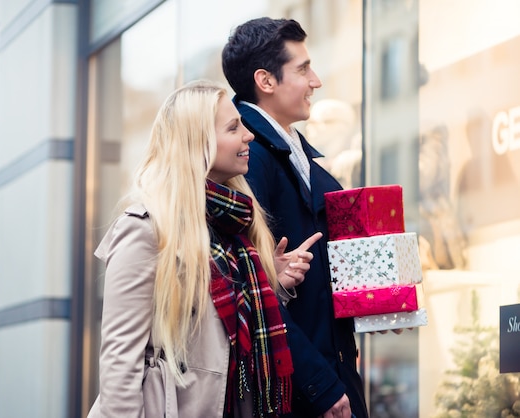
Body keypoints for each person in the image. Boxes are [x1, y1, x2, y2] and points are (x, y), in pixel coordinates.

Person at [86, 80, 322, 418]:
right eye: (233, 127)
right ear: (198, 143)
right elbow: (120, 363)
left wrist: (275, 287)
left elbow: (227, 335)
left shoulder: (232, 228)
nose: (249, 135)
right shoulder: (144, 229)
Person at [222, 17, 368, 418]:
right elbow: (253, 291)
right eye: (303, 69)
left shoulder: (296, 151)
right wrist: (319, 386)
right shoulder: (248, 159)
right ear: (266, 81)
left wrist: (380, 304)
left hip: (327, 377)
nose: (315, 81)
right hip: (301, 392)